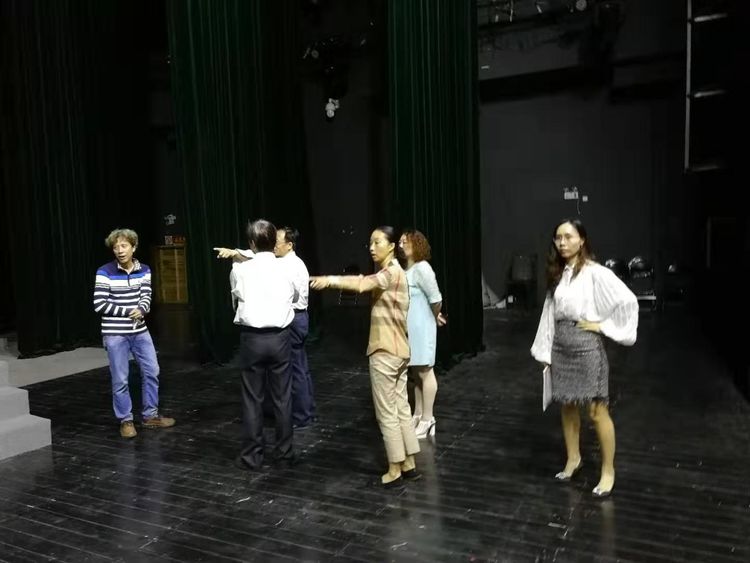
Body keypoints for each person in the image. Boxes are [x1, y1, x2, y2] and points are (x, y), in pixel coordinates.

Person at [531, 218, 638, 498]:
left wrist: (602, 326)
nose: (562, 242)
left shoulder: (595, 272)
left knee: (596, 411)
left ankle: (608, 470)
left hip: (587, 347)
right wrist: (545, 350)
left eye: (568, 236)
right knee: (567, 405)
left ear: (582, 240)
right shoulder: (558, 274)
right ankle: (573, 459)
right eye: (558, 237)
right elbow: (549, 314)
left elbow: (627, 301)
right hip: (561, 346)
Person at [310, 226, 420, 489]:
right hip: (400, 350)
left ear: (391, 246)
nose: (372, 247)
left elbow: (361, 283)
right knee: (401, 408)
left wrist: (329, 280)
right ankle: (409, 463)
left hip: (385, 351)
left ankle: (395, 467)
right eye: (370, 243)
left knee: (387, 412)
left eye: (377, 242)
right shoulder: (398, 272)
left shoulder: (390, 273)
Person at [93, 228, 175, 439]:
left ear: (133, 247)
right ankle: (126, 420)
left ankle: (150, 416)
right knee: (120, 379)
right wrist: (129, 311)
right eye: (116, 247)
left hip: (140, 331)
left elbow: (146, 295)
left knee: (152, 371)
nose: (120, 251)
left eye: (124, 246)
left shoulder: (144, 270)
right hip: (115, 334)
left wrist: (143, 309)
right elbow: (99, 304)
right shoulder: (104, 271)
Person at [231, 219, 297, 470]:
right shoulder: (287, 268)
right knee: (283, 398)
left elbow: (236, 297)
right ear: (273, 242)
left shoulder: (240, 270)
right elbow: (295, 297)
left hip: (252, 339)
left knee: (252, 399)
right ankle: (285, 453)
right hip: (280, 338)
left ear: (251, 244)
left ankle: (252, 457)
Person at [398, 229, 446, 439]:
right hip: (411, 327)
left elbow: (435, 298)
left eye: (406, 241)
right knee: (416, 372)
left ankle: (428, 418)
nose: (402, 245)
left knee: (426, 371)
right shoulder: (407, 269)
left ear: (417, 244)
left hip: (422, 326)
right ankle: (417, 414)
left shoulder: (423, 268)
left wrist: (434, 316)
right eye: (400, 242)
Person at [274, 227, 316, 428]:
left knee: (295, 369)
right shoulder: (294, 262)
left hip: (293, 318)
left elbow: (293, 295)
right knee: (301, 368)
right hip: (299, 318)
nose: (274, 245)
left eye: (277, 241)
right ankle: (308, 411)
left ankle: (301, 416)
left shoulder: (289, 265)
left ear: (289, 245)